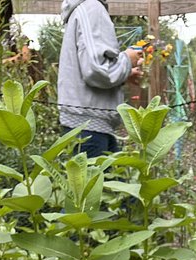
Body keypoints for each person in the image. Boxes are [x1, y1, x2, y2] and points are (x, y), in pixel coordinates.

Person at [57, 0, 143, 157]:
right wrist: (127, 59)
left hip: (87, 122)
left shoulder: (83, 8)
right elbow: (98, 70)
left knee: (110, 180)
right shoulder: (92, 8)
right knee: (102, 180)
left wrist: (124, 74)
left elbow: (88, 67)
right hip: (89, 127)